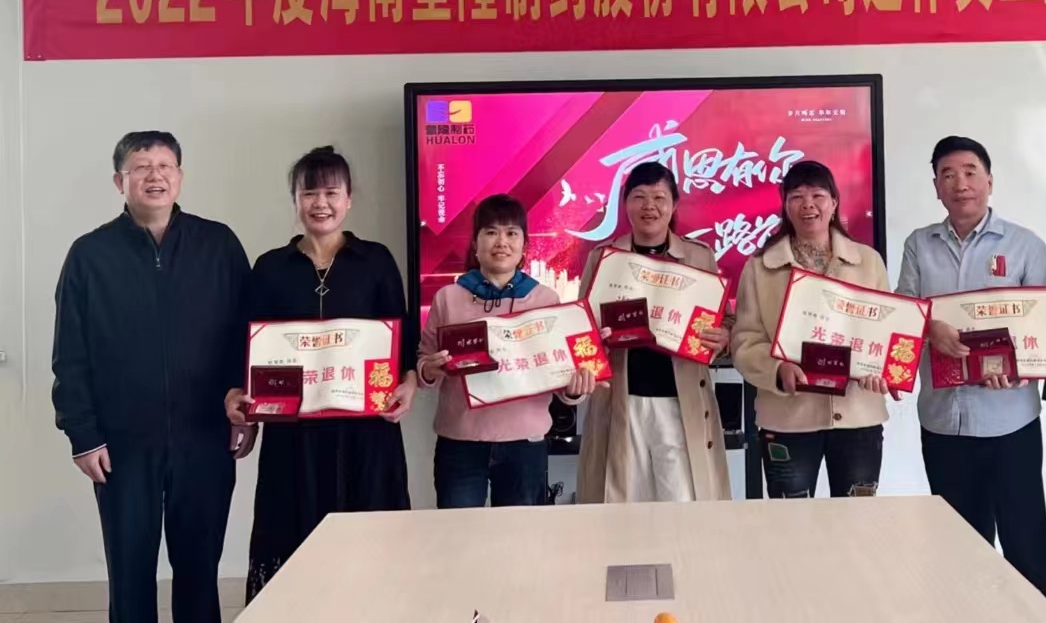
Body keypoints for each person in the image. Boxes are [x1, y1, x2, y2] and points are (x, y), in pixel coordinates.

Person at [51, 131, 250, 623]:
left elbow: (247, 336)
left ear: (180, 177)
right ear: (120, 181)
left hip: (204, 435)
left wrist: (246, 410)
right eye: (141, 167)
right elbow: (70, 353)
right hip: (122, 443)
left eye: (165, 166)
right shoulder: (89, 255)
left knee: (199, 568)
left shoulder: (218, 244)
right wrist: (83, 434)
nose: (154, 175)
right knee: (129, 571)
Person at [224, 146, 418, 602]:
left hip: (366, 432)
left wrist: (408, 383)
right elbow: (248, 345)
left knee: (370, 535)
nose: (320, 203)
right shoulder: (270, 267)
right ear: (295, 200)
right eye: (309, 193)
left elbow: (402, 338)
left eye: (331, 192)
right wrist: (240, 398)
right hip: (295, 437)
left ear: (349, 199)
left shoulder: (375, 261)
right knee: (293, 536)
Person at [896, 136, 1046, 602]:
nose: (960, 183)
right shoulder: (918, 245)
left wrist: (1021, 367)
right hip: (943, 421)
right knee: (959, 544)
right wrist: (930, 329)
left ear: (989, 180)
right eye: (948, 175)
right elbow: (903, 313)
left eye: (970, 172)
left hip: (1010, 421)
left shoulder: (1025, 244)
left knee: (1025, 538)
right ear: (936, 187)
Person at [418, 194, 599, 508]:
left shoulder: (546, 300)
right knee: (457, 534)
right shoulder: (448, 298)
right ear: (475, 244)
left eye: (511, 233)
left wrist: (574, 389)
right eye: (491, 232)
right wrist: (428, 370)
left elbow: (560, 374)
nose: (501, 242)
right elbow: (424, 362)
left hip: (524, 444)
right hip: (460, 443)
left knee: (521, 536)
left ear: (524, 245)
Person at [730, 160, 894, 499]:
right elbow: (744, 341)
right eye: (797, 197)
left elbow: (886, 332)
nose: (808, 205)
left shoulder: (868, 262)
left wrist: (881, 369)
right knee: (792, 522)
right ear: (785, 205)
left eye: (818, 195)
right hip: (788, 418)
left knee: (858, 519)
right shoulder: (760, 267)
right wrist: (777, 369)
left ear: (833, 203)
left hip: (857, 415)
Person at [576, 162, 732, 504]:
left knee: (683, 506)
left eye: (659, 197)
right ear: (625, 204)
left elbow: (725, 323)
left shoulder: (699, 257)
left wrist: (723, 338)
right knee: (623, 506)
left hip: (681, 401)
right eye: (639, 196)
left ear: (674, 205)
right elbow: (582, 329)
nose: (650, 206)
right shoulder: (603, 259)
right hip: (620, 400)